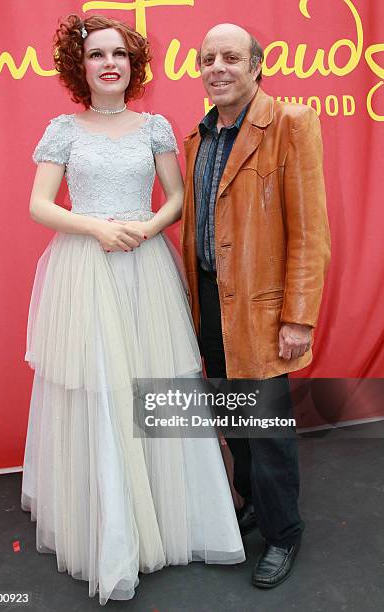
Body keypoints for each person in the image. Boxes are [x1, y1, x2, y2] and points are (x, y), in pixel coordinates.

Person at [21, 14, 245, 606]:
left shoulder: (155, 127)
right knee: (97, 388)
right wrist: (97, 226)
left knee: (155, 387)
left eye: (119, 53)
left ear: (133, 63)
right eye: (97, 55)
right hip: (86, 270)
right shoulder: (63, 129)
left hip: (145, 266)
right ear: (81, 67)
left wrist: (146, 226)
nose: (109, 63)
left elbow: (175, 196)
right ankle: (105, 523)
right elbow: (40, 205)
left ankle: (171, 518)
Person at [181, 24, 331, 588]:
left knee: (265, 429)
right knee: (233, 423)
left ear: (256, 66)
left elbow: (311, 232)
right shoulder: (196, 137)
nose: (217, 67)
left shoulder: (291, 123)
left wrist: (298, 316)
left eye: (230, 57)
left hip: (265, 312)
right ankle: (250, 506)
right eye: (207, 58)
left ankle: (284, 532)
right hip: (211, 310)